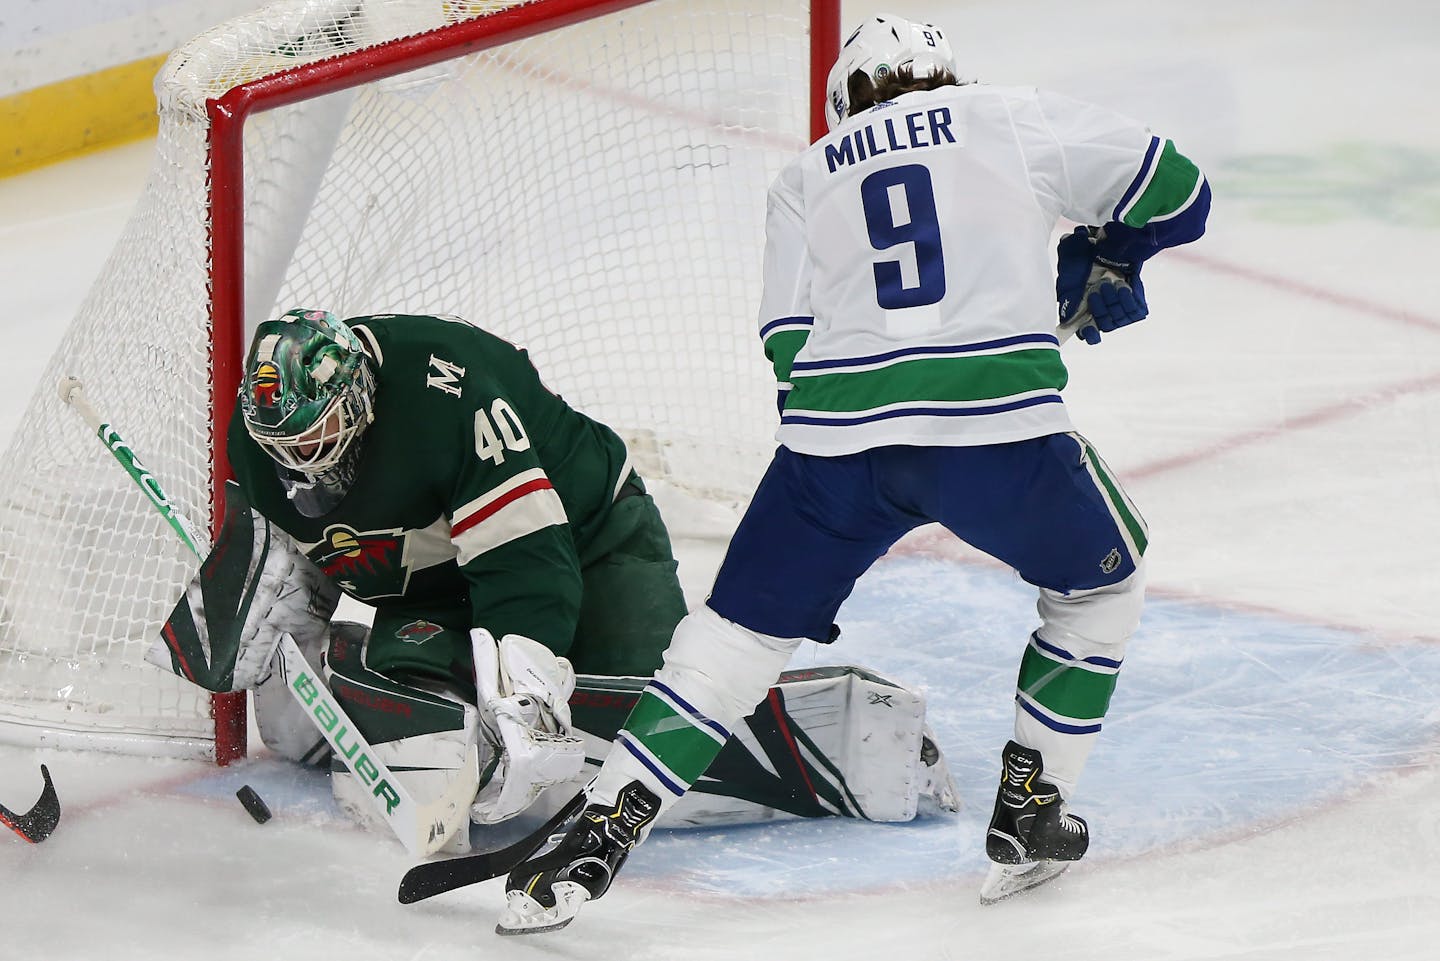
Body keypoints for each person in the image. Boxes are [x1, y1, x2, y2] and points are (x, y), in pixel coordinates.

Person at [497, 13, 1211, 933]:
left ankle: (601, 822)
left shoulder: (806, 173)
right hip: (997, 432)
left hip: (835, 449)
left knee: (729, 645)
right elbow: (1181, 189)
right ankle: (1031, 804)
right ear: (946, 75)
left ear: (844, 104)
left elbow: (790, 348)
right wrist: (1113, 252)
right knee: (1101, 586)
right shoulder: (1006, 116)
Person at [146, 307, 957, 848]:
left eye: (322, 433)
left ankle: (845, 745)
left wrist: (528, 697)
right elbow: (271, 555)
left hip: (587, 538)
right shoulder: (259, 442)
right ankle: (425, 727)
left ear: (360, 392)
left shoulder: (446, 391)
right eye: (288, 444)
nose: (305, 460)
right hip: (430, 590)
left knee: (628, 718)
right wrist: (251, 611)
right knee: (300, 733)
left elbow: (529, 566)